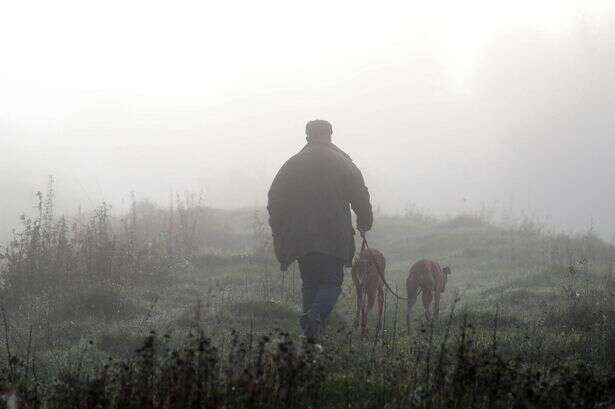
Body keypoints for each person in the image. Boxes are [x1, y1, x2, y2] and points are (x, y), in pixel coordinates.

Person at [267, 119, 373, 339]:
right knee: (331, 283)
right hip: (333, 236)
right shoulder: (344, 163)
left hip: (301, 238)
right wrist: (364, 222)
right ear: (330, 134)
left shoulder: (293, 164)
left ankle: (311, 339)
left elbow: (274, 197)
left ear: (307, 136)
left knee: (310, 284)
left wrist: (280, 229)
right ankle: (314, 319)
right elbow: (360, 197)